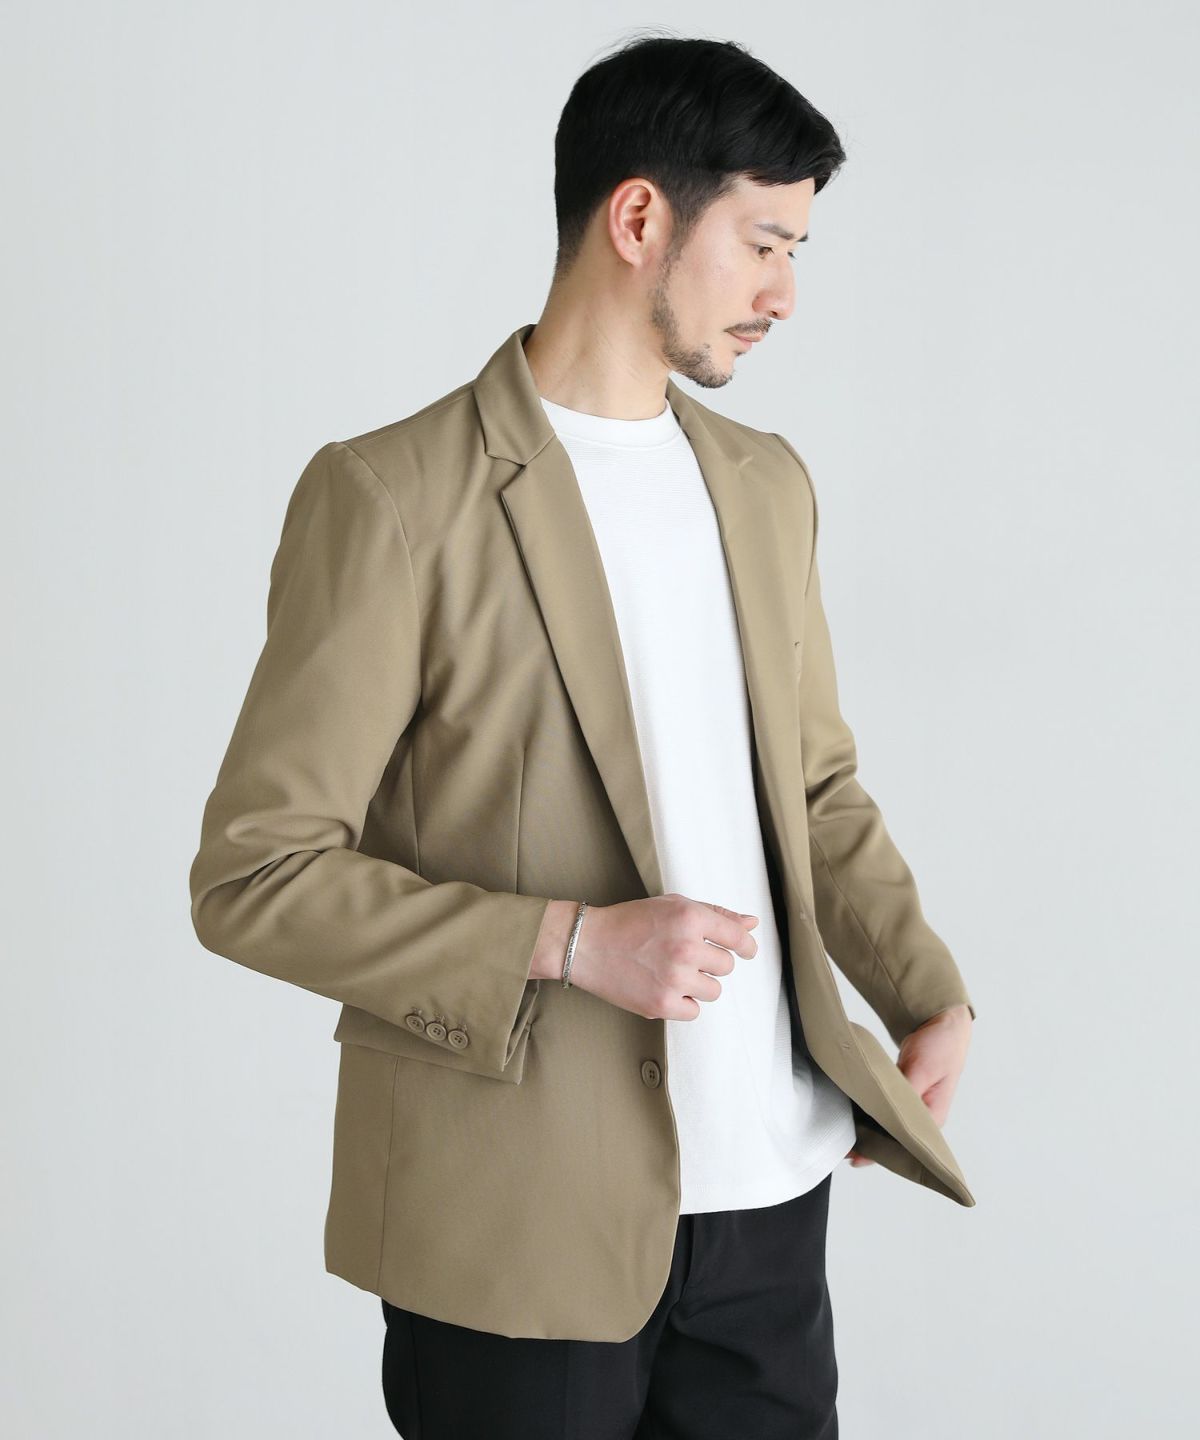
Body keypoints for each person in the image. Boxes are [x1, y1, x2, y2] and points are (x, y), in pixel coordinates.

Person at [189, 31, 976, 1440]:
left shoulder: (766, 485)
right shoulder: (394, 498)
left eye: (797, 252)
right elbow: (256, 875)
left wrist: (926, 989)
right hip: (512, 1218)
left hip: (768, 1205)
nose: (787, 293)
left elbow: (813, 785)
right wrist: (566, 942)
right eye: (764, 244)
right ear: (639, 218)